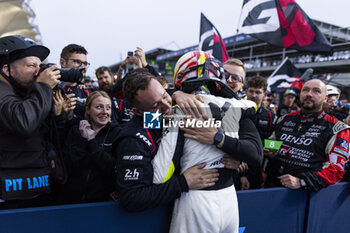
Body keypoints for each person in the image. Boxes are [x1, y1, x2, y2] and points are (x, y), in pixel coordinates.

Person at [164, 51, 262, 233]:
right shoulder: (179, 108)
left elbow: (256, 154)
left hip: (225, 194)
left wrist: (220, 139)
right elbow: (148, 118)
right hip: (191, 194)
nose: (231, 81)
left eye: (237, 78)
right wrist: (174, 94)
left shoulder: (240, 111)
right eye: (227, 75)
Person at [114, 68, 221, 213]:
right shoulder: (132, 140)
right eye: (155, 105)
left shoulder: (156, 117)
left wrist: (178, 94)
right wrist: (183, 183)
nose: (166, 106)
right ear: (138, 111)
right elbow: (133, 198)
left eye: (165, 96)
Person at [0, 35, 62, 208]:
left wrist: (60, 115)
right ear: (6, 70)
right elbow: (24, 122)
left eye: (39, 66)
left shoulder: (23, 92)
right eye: (30, 66)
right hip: (9, 199)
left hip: (32, 189)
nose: (38, 72)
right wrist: (42, 87)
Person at [265, 79, 350, 191]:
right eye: (305, 90)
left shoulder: (338, 129)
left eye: (316, 91)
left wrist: (302, 181)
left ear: (325, 98)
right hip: (271, 187)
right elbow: (272, 145)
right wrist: (270, 150)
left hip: (305, 194)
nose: (309, 94)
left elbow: (336, 170)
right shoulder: (284, 119)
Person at [59, 91, 121, 204]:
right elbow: (67, 165)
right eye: (99, 107)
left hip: (103, 203)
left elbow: (113, 168)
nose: (104, 112)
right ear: (87, 109)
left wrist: (91, 141)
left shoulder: (117, 134)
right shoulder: (75, 131)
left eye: (108, 108)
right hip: (72, 201)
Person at [244, 75, 277, 189]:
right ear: (246, 91)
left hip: (259, 168)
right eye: (251, 91)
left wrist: (270, 149)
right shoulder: (236, 111)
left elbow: (275, 140)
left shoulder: (270, 116)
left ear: (265, 94)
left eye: (258, 92)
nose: (253, 95)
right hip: (237, 166)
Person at [60, 44, 91, 120]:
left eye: (85, 64)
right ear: (62, 62)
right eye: (77, 62)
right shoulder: (51, 89)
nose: (82, 67)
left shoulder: (87, 93)